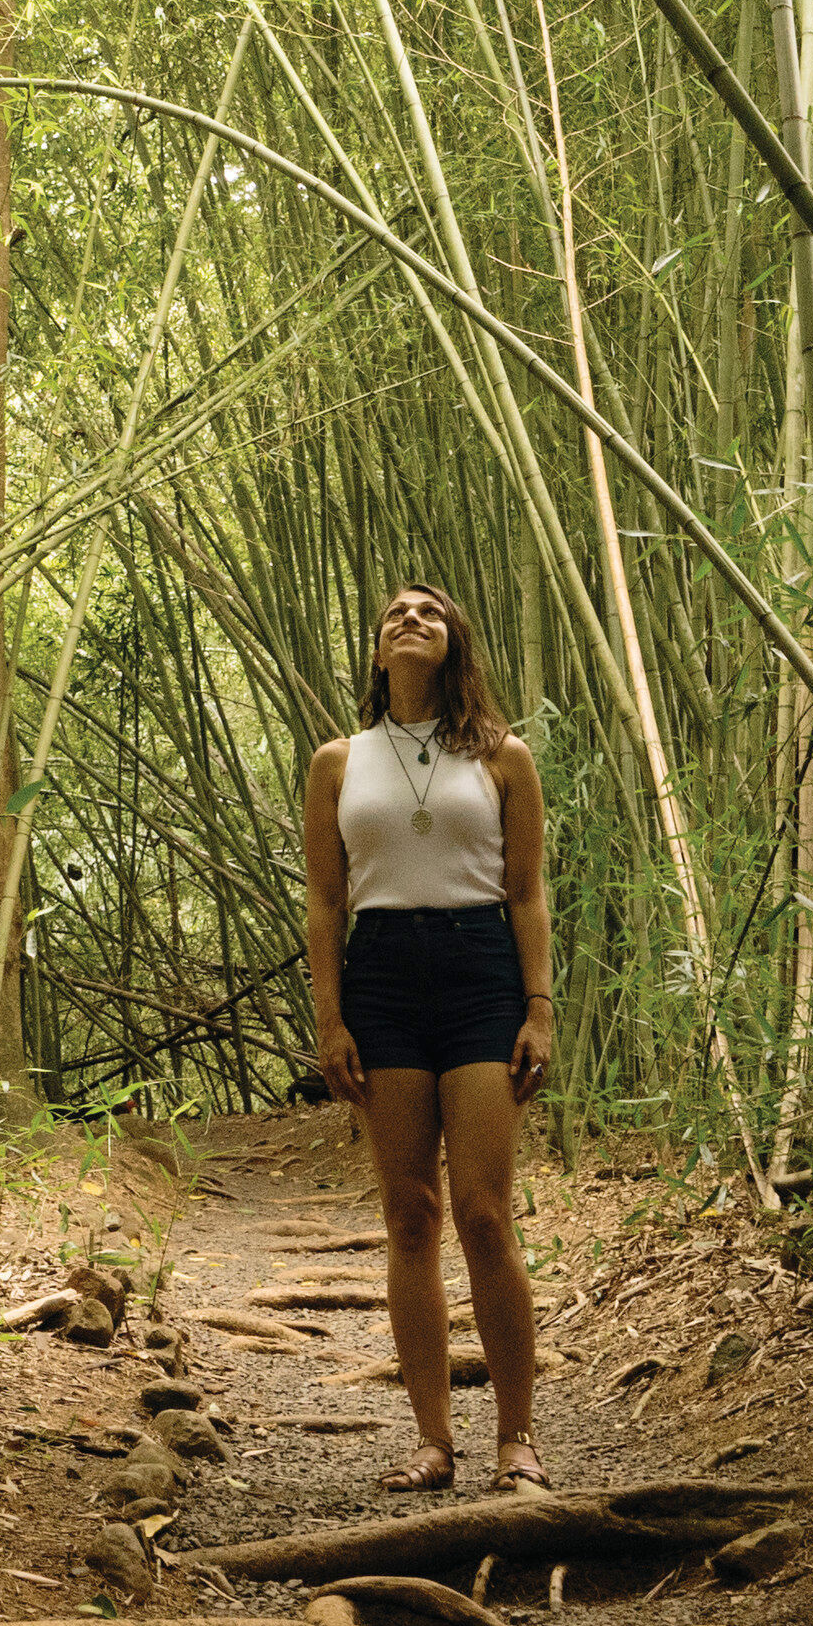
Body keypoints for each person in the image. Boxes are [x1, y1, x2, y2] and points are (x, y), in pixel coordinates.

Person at [300, 582, 552, 1494]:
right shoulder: (338, 760)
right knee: (411, 1216)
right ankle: (434, 1442)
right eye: (394, 615)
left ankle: (517, 1438)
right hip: (383, 975)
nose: (410, 620)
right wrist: (329, 1018)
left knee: (485, 1214)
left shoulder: (502, 756)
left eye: (430, 613)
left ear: (455, 643)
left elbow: (526, 891)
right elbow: (326, 902)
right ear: (377, 653)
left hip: (480, 966)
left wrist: (539, 1004)